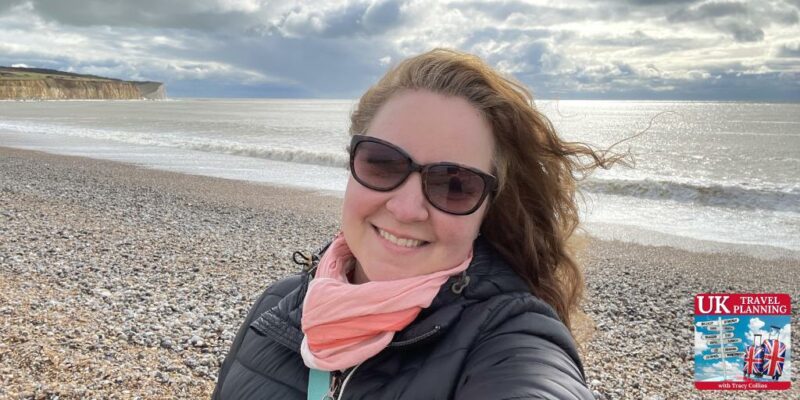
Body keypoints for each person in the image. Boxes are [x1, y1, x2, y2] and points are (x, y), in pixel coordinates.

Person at [214, 49, 612, 399]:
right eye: (383, 163)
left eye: (455, 185)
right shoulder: (278, 306)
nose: (406, 209)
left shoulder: (509, 338)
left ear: (488, 209)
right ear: (353, 162)